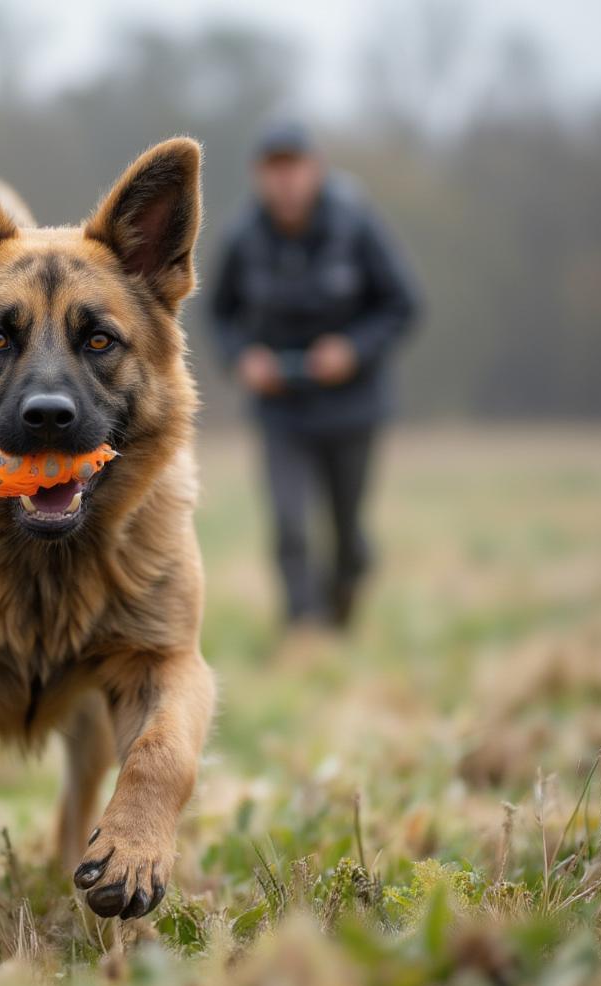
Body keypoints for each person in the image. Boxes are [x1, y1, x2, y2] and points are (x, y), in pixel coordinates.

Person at [211, 117, 421, 630]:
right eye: (273, 169)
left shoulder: (357, 224)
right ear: (258, 175)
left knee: (347, 535)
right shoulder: (242, 235)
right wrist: (244, 358)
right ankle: (303, 628)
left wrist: (352, 350)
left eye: (294, 167)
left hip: (352, 407)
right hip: (282, 409)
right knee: (289, 525)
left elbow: (403, 304)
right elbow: (218, 315)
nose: (285, 180)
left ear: (316, 169)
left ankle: (341, 602)